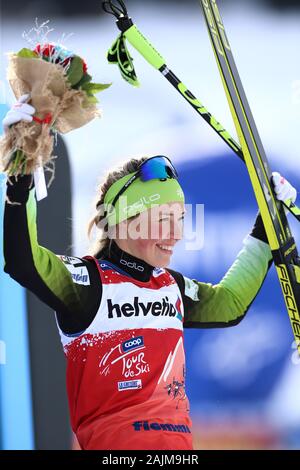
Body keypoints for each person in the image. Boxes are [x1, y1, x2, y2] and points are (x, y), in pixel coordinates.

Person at [2, 98, 297, 450]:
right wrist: (21, 172)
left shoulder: (170, 286)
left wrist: (266, 229)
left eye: (179, 220)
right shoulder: (87, 283)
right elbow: (24, 260)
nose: (175, 233)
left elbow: (228, 304)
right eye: (162, 219)